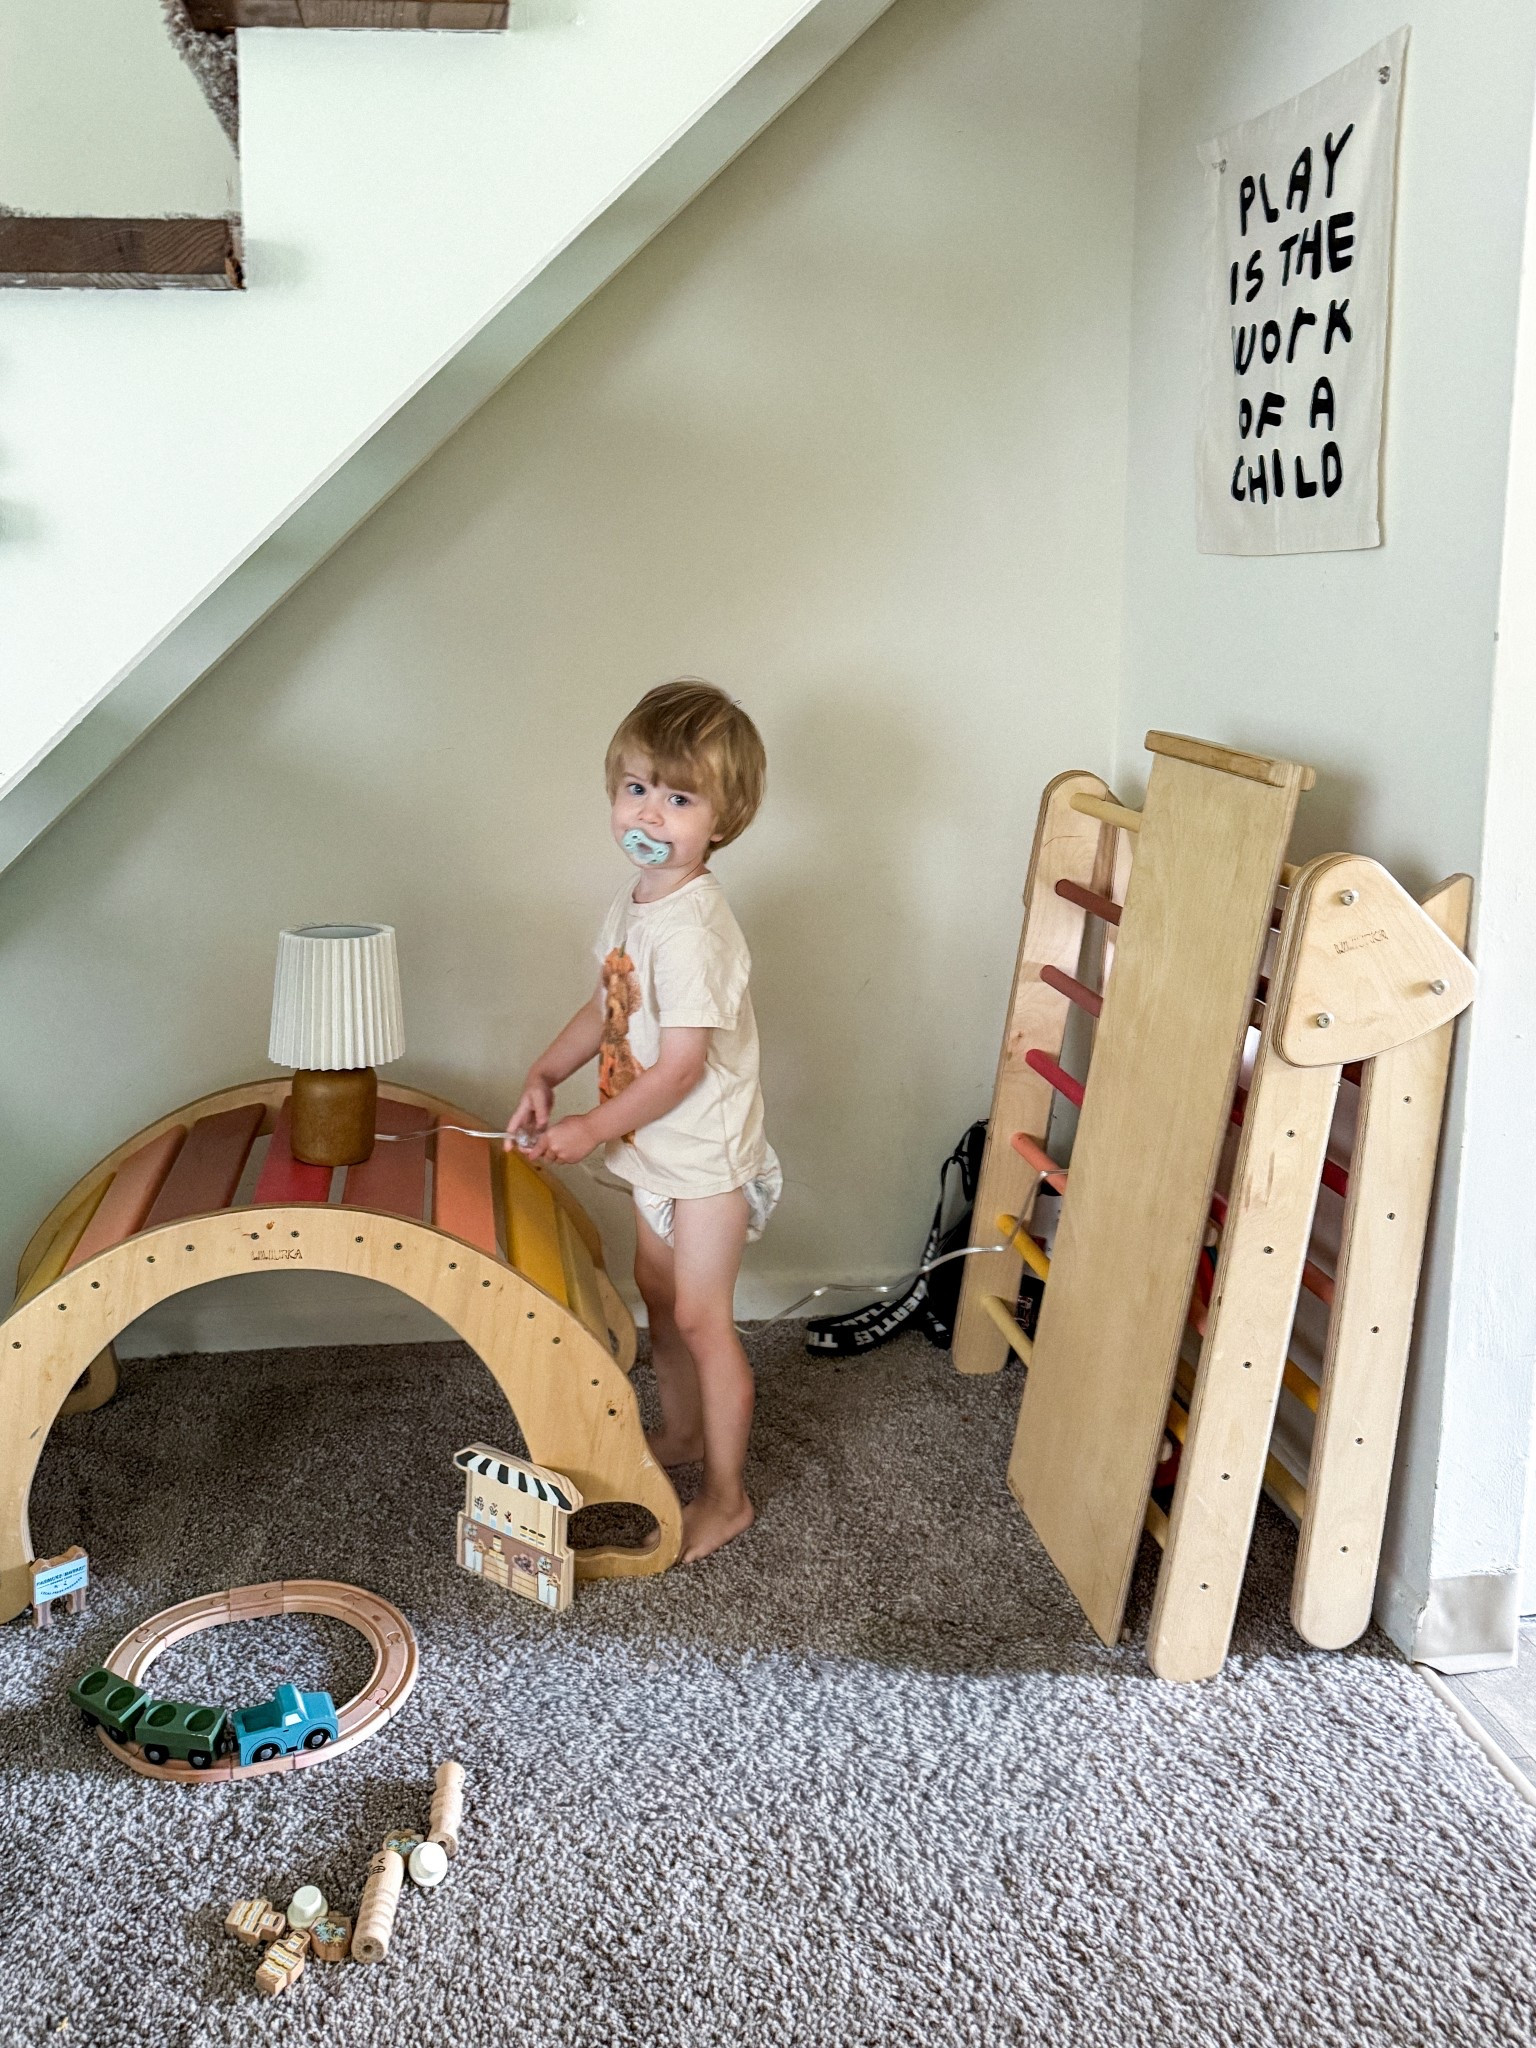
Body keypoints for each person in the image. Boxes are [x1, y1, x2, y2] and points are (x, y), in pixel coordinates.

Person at [507, 680, 778, 1562]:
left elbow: (685, 1064)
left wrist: (592, 1129)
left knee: (702, 1318)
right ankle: (687, 1437)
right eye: (636, 788)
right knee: (659, 1303)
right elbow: (608, 1007)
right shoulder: (637, 900)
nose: (652, 814)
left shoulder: (694, 928)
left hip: (702, 1157)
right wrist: (550, 1071)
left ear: (721, 819)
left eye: (679, 798)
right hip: (651, 1148)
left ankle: (728, 1496)